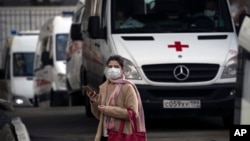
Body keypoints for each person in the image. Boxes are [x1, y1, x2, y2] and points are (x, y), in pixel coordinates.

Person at [85, 55, 146, 141]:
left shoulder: (128, 87)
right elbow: (100, 116)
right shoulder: (104, 87)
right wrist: (94, 101)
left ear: (122, 69)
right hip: (104, 134)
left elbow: (132, 113)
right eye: (110, 67)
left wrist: (108, 110)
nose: (113, 69)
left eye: (116, 66)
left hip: (121, 135)